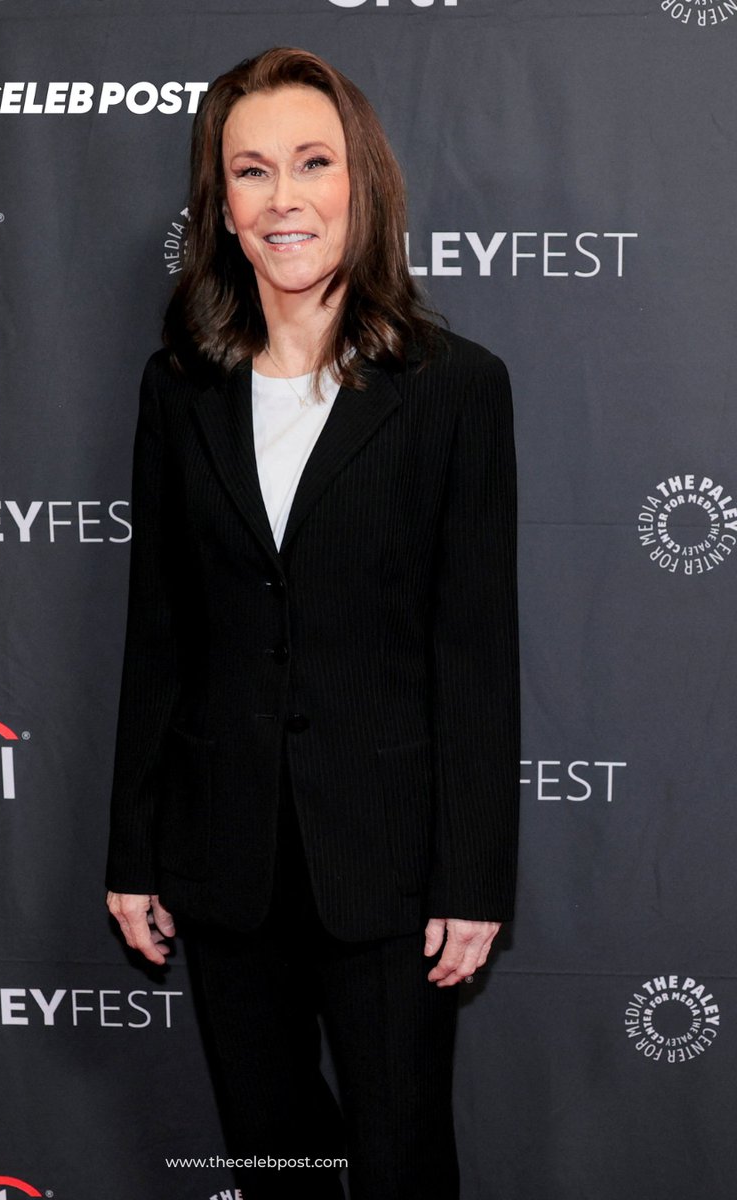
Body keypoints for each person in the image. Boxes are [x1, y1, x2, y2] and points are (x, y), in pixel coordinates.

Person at [105, 46, 520, 1200]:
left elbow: (476, 647)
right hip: (223, 853)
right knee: (273, 1154)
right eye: (250, 172)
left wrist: (473, 875)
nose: (283, 198)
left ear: (363, 184)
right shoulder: (176, 386)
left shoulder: (455, 389)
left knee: (398, 1160)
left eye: (311, 163)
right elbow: (161, 630)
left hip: (386, 861)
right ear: (221, 207)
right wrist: (133, 845)